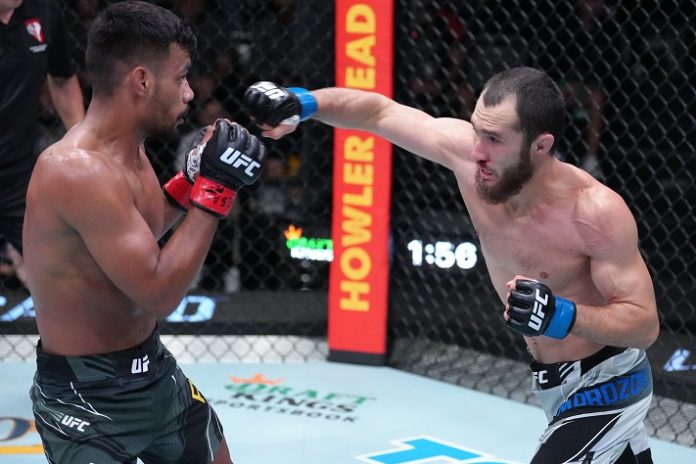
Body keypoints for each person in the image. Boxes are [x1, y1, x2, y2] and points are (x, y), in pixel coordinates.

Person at [242, 69, 660, 463]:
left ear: (541, 145)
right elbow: (378, 113)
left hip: (609, 381)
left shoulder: (594, 213)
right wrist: (303, 103)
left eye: (494, 139)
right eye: (477, 131)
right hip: (553, 382)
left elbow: (643, 325)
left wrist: (560, 314)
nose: (478, 151)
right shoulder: (471, 159)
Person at [23, 2, 265, 463]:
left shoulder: (128, 152)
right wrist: (217, 189)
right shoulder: (77, 170)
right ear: (142, 81)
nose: (189, 93)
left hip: (151, 370)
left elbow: (143, 231)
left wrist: (193, 179)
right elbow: (158, 292)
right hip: (83, 395)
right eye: (181, 77)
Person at [0, 0, 85, 284]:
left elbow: (62, 78)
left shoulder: (43, 9)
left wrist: (81, 144)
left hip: (18, 171)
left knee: (59, 270)